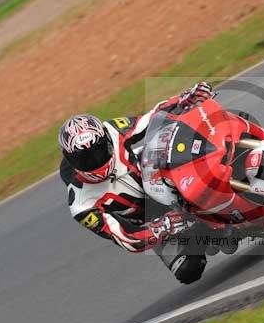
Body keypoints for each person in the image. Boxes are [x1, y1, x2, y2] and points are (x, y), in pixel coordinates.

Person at [58, 82, 215, 284]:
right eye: (86, 159)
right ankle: (205, 232)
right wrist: (160, 228)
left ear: (105, 139)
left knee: (183, 139)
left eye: (99, 151)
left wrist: (184, 99)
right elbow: (127, 238)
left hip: (158, 175)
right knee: (188, 270)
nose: (96, 160)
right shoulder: (81, 204)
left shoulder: (112, 129)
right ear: (72, 161)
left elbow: (150, 118)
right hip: (150, 219)